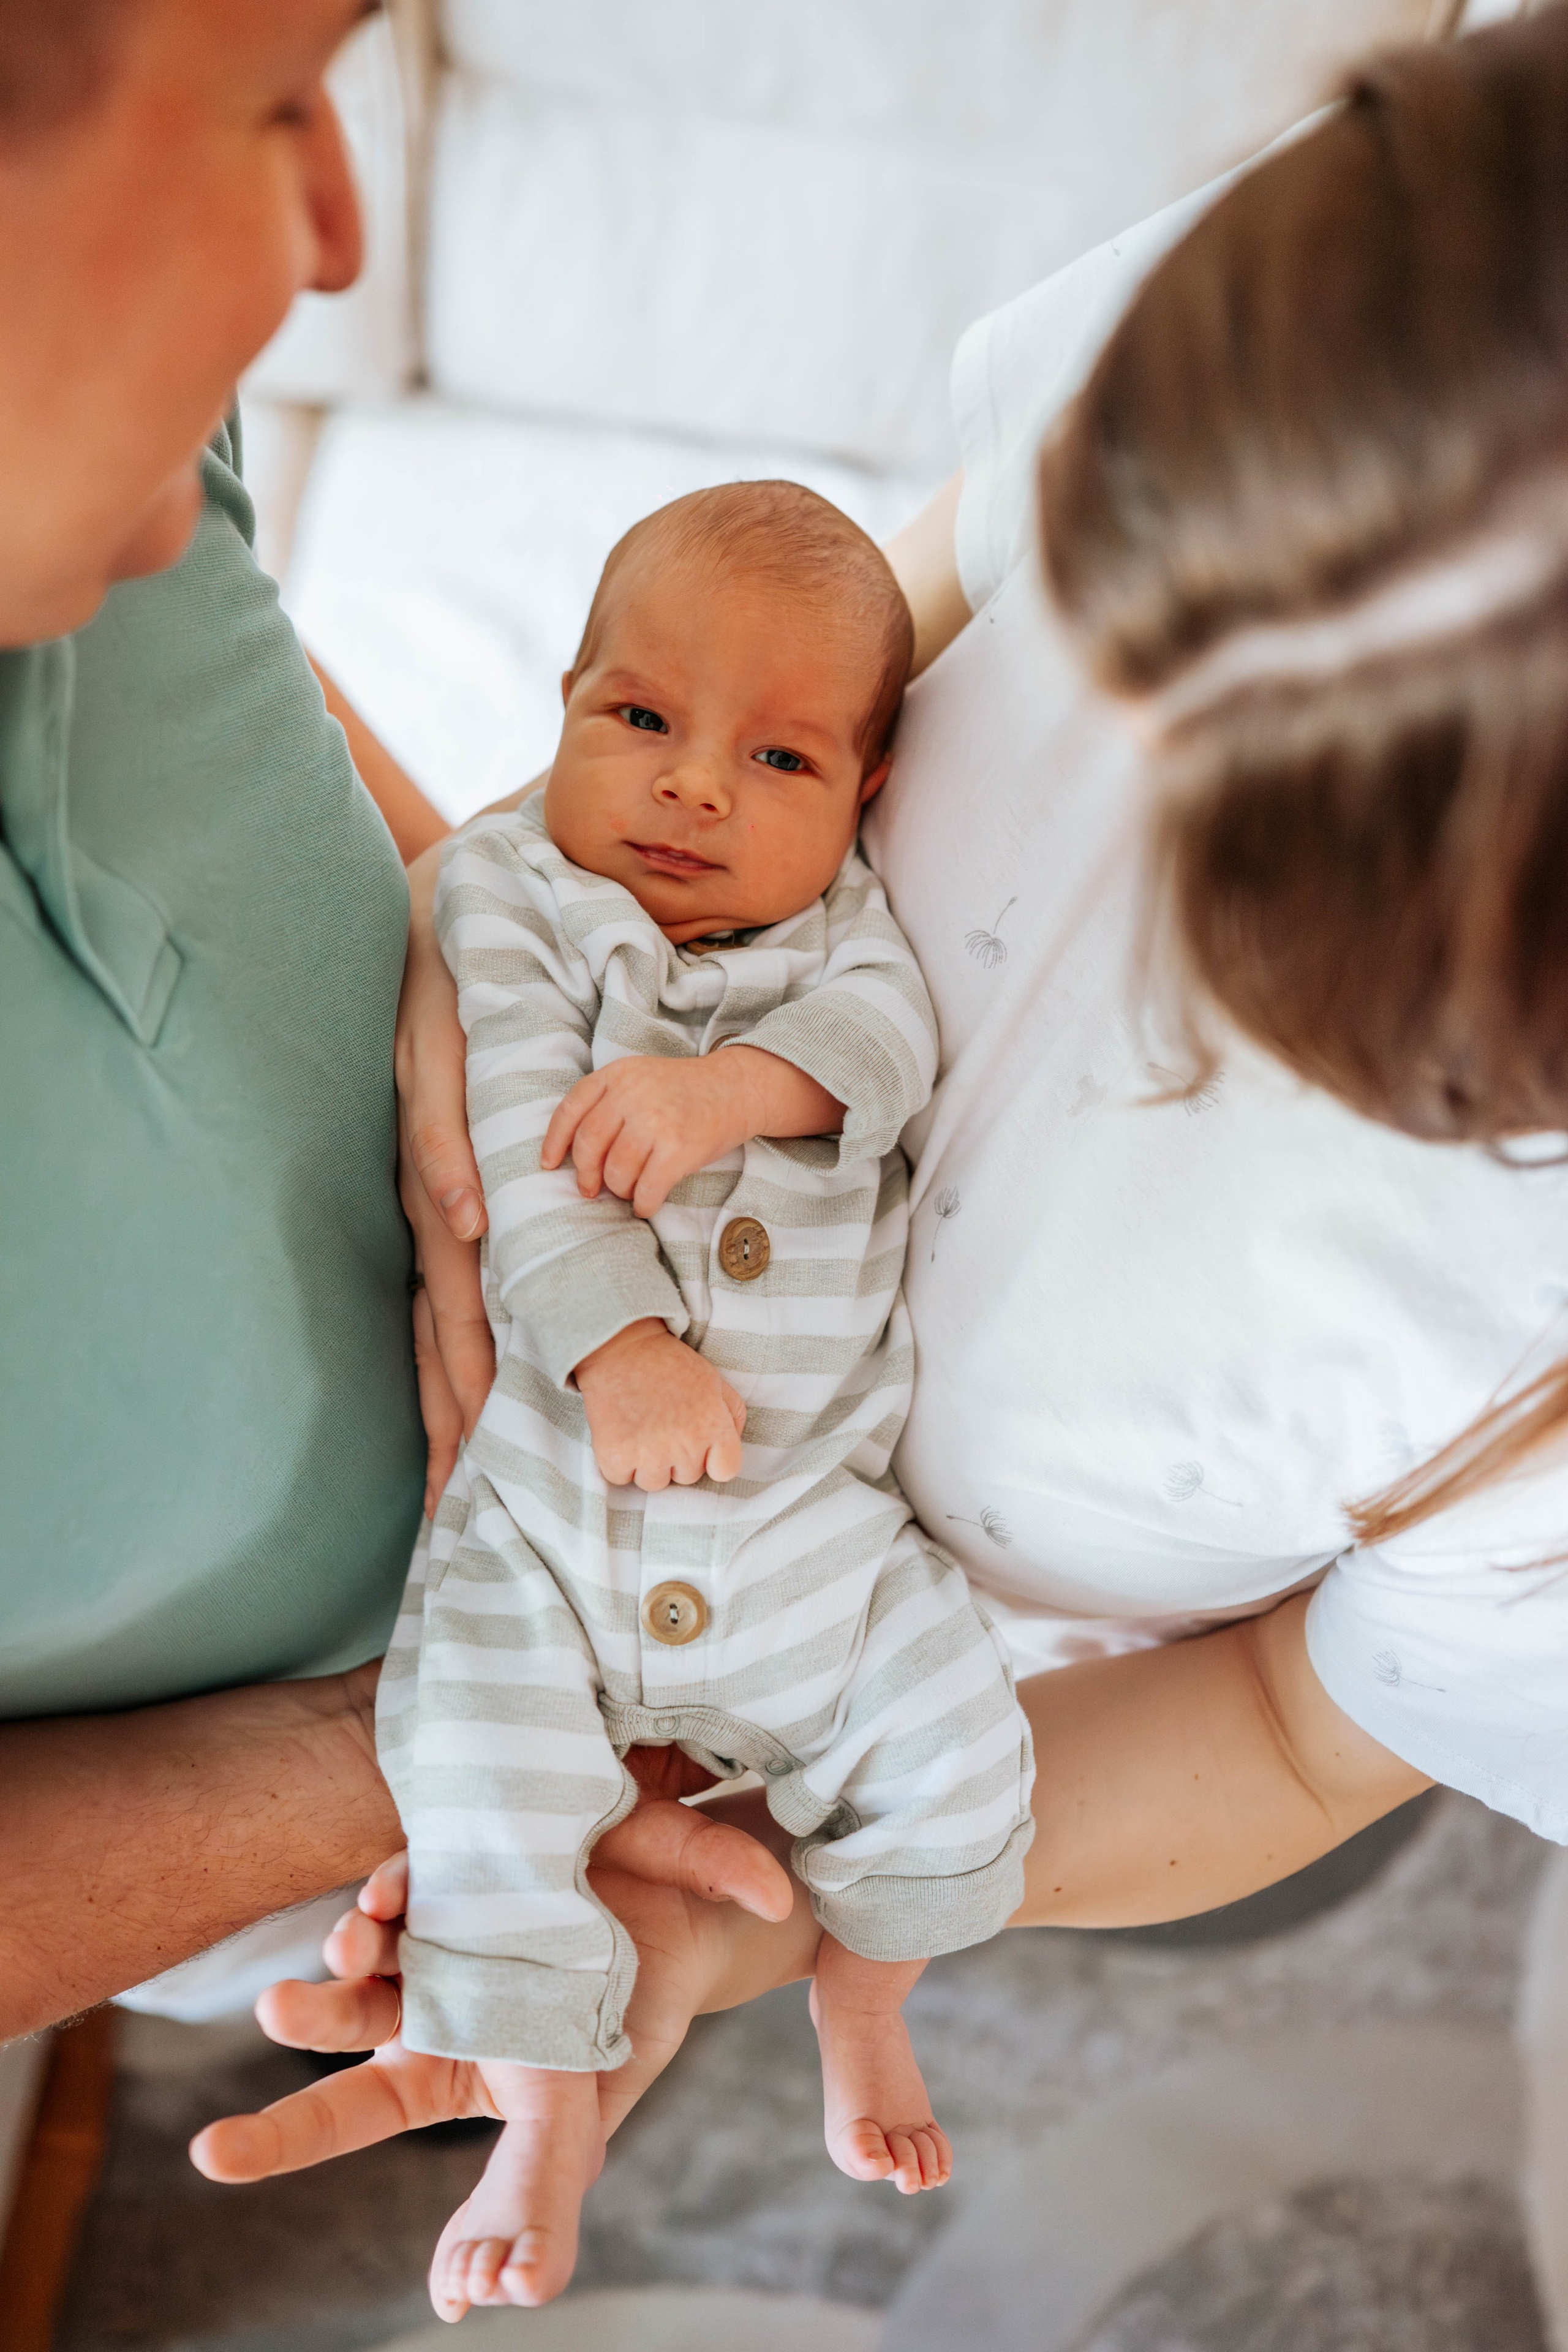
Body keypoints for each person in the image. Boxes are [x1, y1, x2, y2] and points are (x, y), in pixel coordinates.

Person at [195, 0, 1568, 2235]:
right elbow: (849, 628)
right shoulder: (1439, 269)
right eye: (1136, 640)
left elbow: (1298, 1737)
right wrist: (490, 956)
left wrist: (786, 1905)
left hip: (861, 1665)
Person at [359, 481, 1039, 2313]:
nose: (694, 789)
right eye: (641, 721)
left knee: (965, 1742)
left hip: (816, 1530)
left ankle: (868, 2002)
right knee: (473, 1785)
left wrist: (729, 1094)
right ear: (564, 702)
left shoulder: (842, 938)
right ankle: (542, 2125)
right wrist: (621, 1352)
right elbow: (512, 1139)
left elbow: (890, 1052)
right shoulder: (517, 895)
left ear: (868, 794)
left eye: (779, 759)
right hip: (551, 1522)